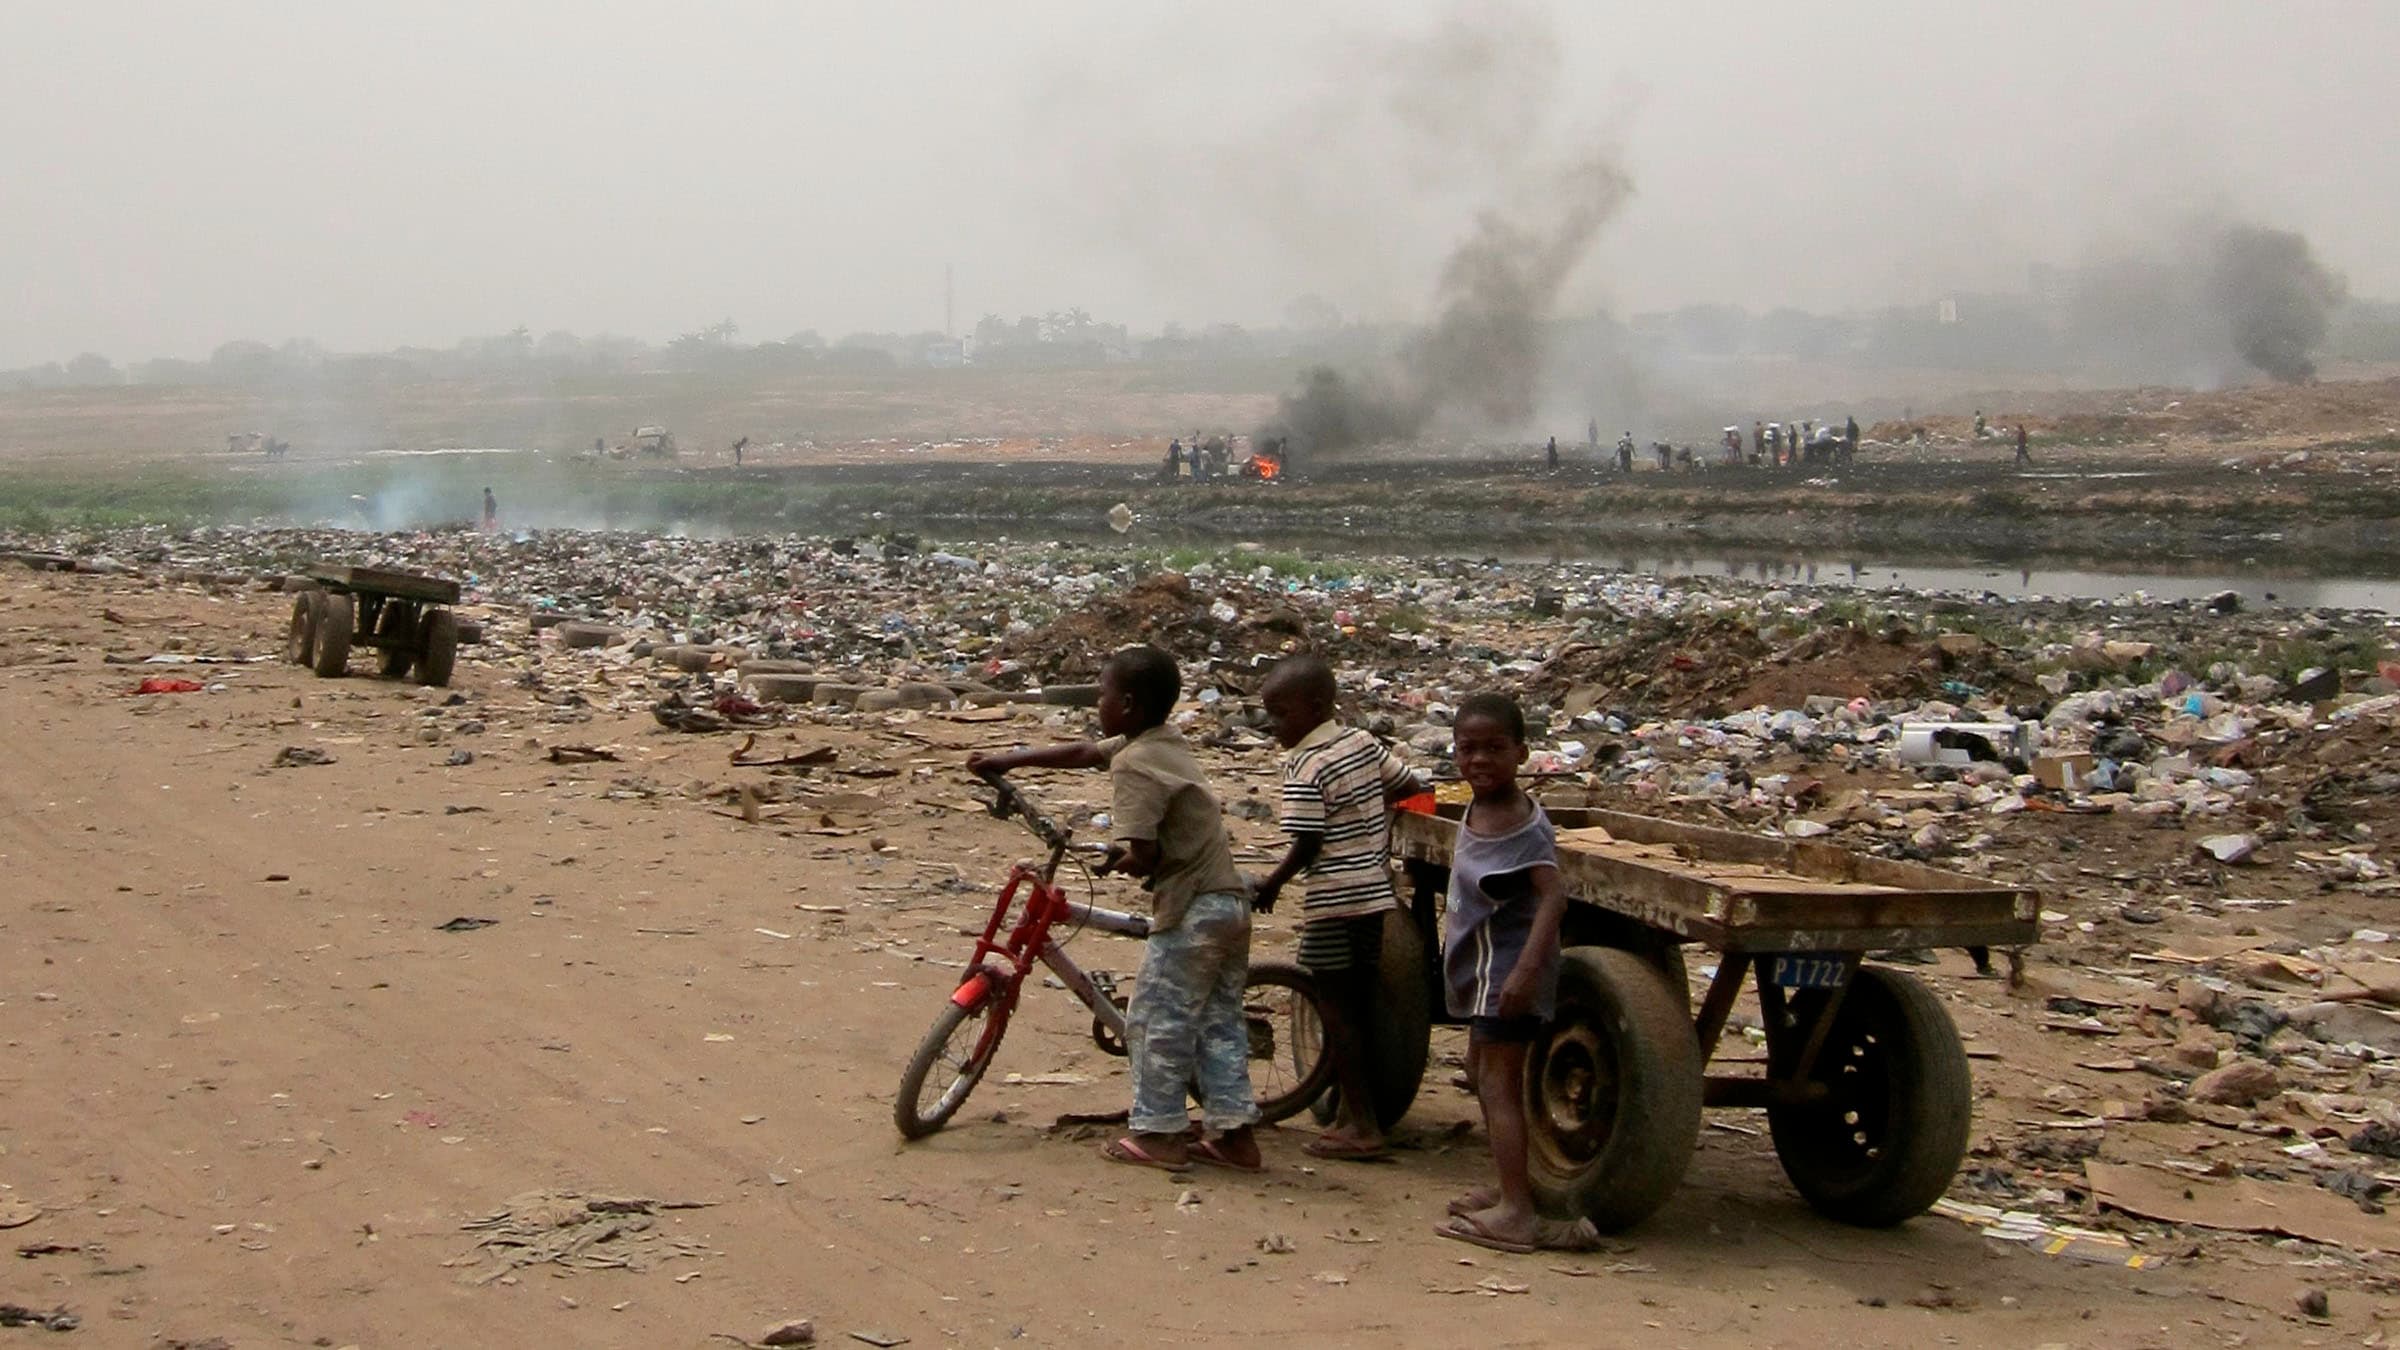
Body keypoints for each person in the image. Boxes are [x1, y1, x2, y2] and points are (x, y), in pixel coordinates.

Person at [966, 646, 1262, 1172]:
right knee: (1218, 1023)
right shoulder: (1161, 740)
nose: (1096, 701)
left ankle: (1158, 1135)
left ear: (1126, 703)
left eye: (1101, 693)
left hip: (1192, 905)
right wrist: (1005, 760)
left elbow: (1145, 853)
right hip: (1228, 899)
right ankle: (1235, 1138)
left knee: (1154, 1021)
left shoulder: (1136, 764)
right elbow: (1083, 752)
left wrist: (1121, 856)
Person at [1430, 693, 1593, 1255]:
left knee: (1498, 1084)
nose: (1479, 760)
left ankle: (1518, 1212)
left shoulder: (1522, 821)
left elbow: (1554, 898)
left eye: (1494, 749)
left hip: (1507, 969)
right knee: (1480, 1072)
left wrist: (1525, 971)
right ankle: (1507, 1186)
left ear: (1522, 753)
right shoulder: (1477, 806)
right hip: (1482, 966)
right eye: (1467, 749)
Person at [1252, 654, 1424, 1161]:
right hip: (1375, 895)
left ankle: (1363, 1125)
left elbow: (1307, 841)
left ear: (1317, 706)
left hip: (1334, 900)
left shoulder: (1304, 766)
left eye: (1281, 714)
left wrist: (1272, 884)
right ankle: (1357, 1113)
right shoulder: (1362, 742)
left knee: (1336, 1013)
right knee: (1360, 1005)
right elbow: (1410, 787)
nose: (1274, 726)